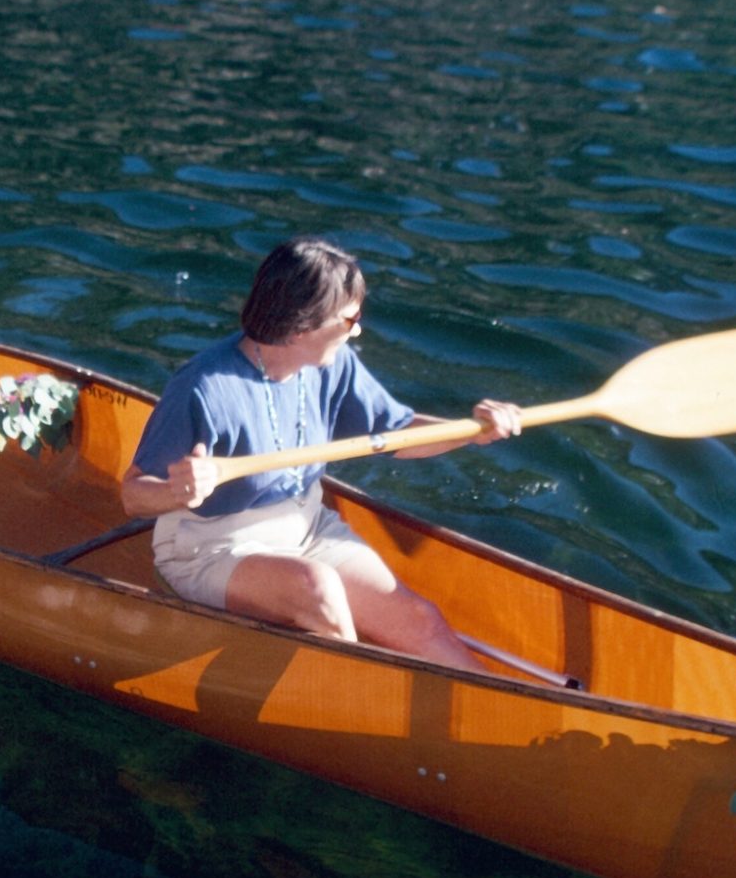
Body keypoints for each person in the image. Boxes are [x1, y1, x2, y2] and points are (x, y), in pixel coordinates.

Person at [122, 238, 523, 670]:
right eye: (350, 319)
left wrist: (472, 431)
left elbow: (397, 434)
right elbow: (133, 495)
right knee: (319, 589)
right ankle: (355, 691)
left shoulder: (336, 365)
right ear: (301, 327)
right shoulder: (202, 386)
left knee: (419, 620)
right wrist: (178, 491)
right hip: (209, 547)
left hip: (306, 526)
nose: (357, 330)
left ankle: (498, 708)